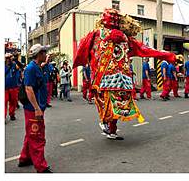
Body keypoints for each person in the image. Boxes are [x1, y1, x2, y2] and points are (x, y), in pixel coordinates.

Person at [73, 8, 176, 139]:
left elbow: (82, 48)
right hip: (122, 79)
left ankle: (106, 124)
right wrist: (167, 55)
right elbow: (146, 50)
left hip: (103, 78)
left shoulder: (96, 34)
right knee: (117, 104)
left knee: (106, 102)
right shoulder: (126, 38)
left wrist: (86, 61)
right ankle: (111, 129)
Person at [18, 44, 51, 172]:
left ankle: (25, 158)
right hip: (33, 109)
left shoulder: (36, 66)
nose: (46, 54)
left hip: (36, 108)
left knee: (30, 134)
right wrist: (37, 108)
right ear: (39, 54)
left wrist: (46, 64)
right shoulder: (31, 68)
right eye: (44, 52)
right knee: (37, 136)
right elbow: (29, 89)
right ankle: (41, 167)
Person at [5, 53, 21, 121]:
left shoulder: (14, 65)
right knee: (4, 102)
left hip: (13, 86)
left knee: (13, 101)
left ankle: (12, 114)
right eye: (7, 58)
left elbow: (20, 67)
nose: (8, 59)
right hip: (4, 87)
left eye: (9, 58)